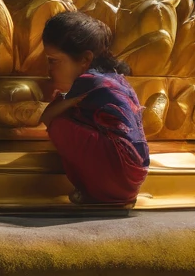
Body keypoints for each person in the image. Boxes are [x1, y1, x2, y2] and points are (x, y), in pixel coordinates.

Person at [39, 11, 149, 207]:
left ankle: (92, 191)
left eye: (53, 61)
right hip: (135, 174)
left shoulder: (87, 80)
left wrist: (57, 103)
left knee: (59, 123)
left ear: (85, 59)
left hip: (117, 171)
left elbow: (47, 117)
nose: (48, 70)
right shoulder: (116, 79)